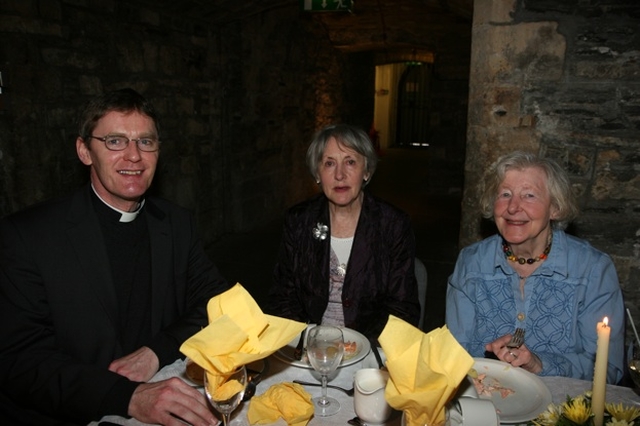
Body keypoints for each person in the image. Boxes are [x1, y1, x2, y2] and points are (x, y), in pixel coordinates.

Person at [0, 88, 228, 426]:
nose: (134, 156)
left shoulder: (176, 224)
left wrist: (157, 350)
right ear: (85, 151)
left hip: (165, 393)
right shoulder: (27, 236)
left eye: (146, 142)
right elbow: (19, 360)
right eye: (115, 141)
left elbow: (218, 303)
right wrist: (125, 396)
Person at [446, 151, 624, 383]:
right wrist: (487, 358)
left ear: (555, 208)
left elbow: (607, 368)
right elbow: (453, 352)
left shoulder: (592, 270)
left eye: (529, 195)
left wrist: (540, 364)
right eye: (505, 194)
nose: (513, 207)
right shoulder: (472, 262)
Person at [267, 124, 420, 340]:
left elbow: (403, 310)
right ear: (317, 174)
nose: (340, 175)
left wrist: (361, 350)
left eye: (350, 162)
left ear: (366, 171)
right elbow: (282, 298)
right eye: (329, 163)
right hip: (310, 347)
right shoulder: (299, 220)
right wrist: (303, 344)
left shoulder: (392, 225)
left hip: (371, 350)